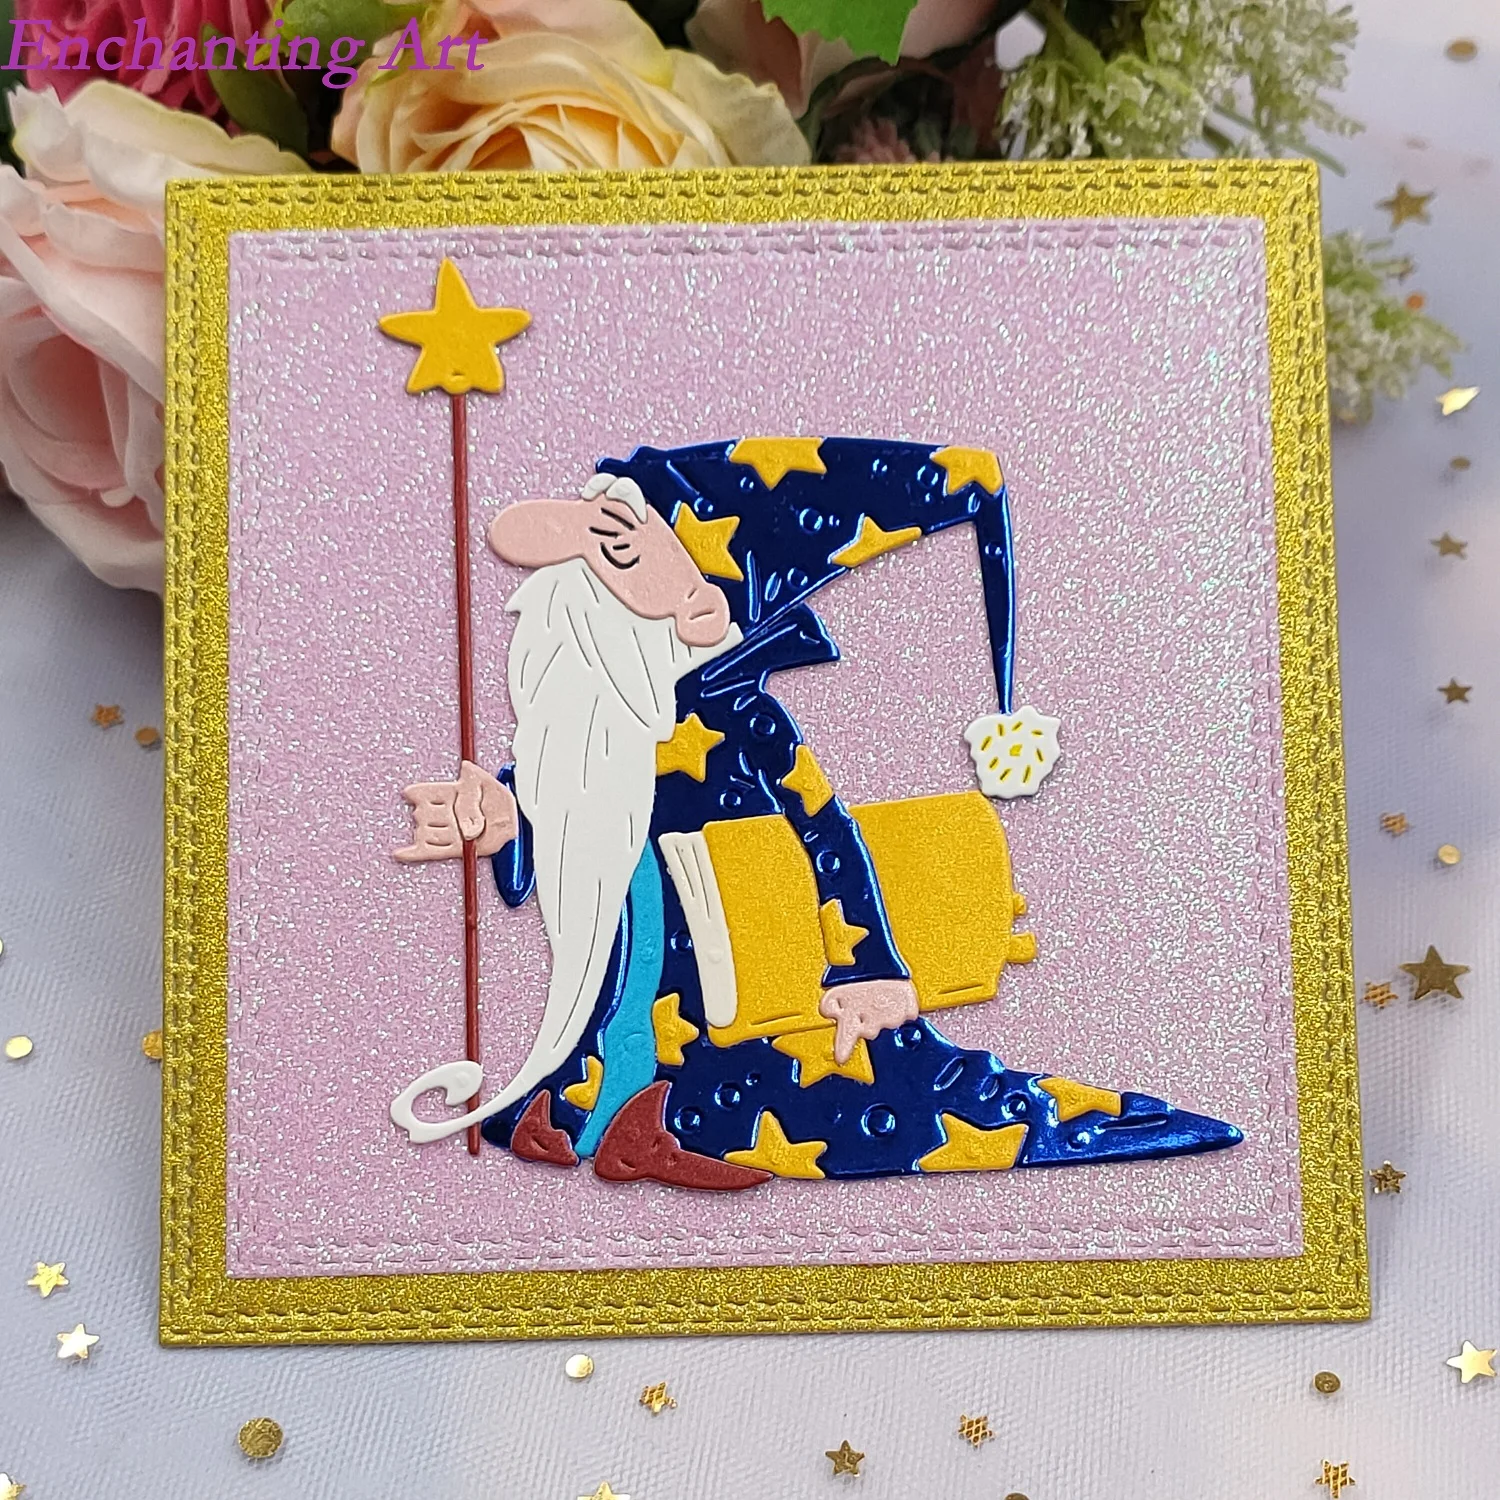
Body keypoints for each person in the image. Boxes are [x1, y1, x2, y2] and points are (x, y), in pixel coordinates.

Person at [389, 437, 1242, 1187]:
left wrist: (865, 966)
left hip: (733, 950)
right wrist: (501, 817)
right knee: (612, 999)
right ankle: (577, 1115)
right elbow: (561, 794)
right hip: (623, 911)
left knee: (740, 1056)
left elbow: (827, 833)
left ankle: (641, 1125)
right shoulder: (589, 713)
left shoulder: (739, 717)